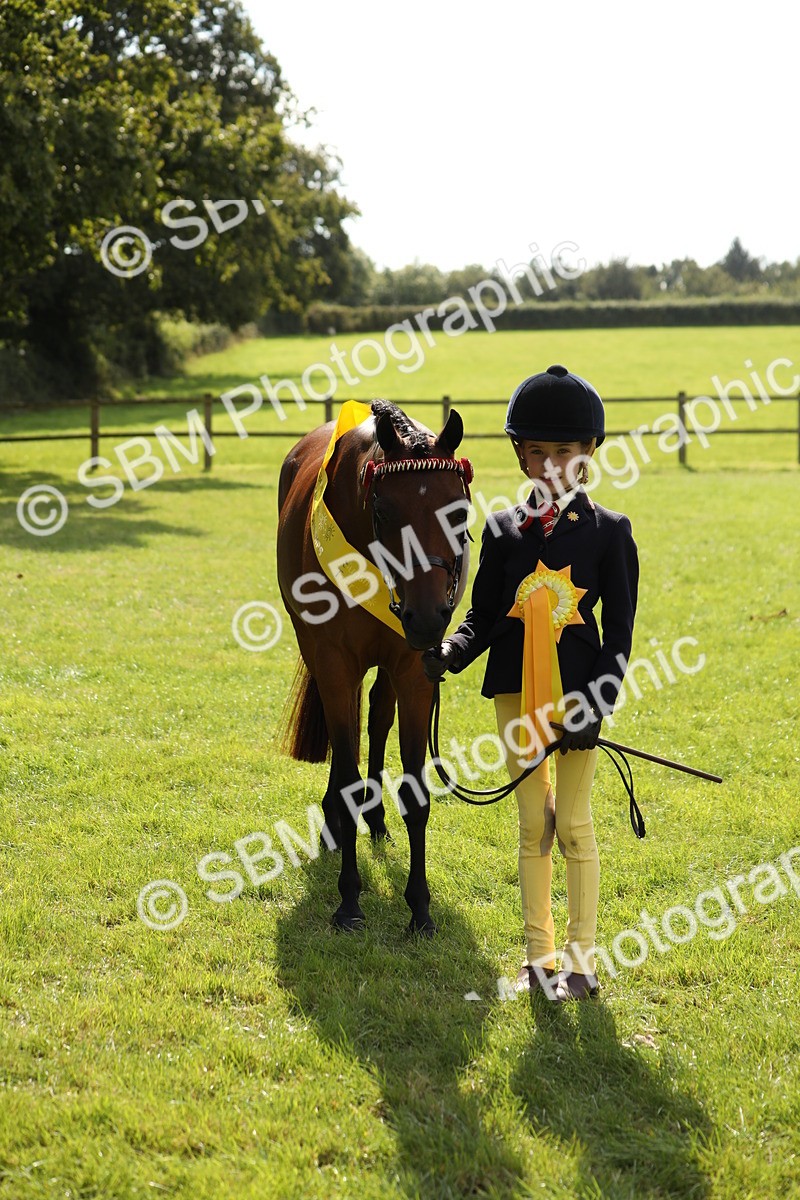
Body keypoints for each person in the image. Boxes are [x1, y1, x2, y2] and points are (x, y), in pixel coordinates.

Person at [422, 365, 639, 1002]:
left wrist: (594, 707)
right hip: (517, 695)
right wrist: (448, 655)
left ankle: (582, 962)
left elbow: (619, 639)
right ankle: (538, 960)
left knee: (572, 824)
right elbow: (483, 619)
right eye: (537, 452)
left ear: (589, 454)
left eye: (564, 452)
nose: (550, 465)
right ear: (520, 454)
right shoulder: (502, 531)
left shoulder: (610, 533)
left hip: (575, 698)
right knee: (532, 826)